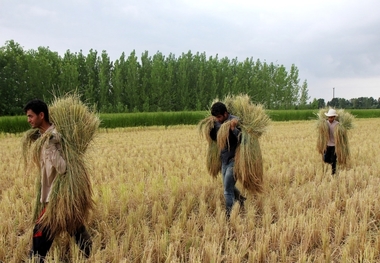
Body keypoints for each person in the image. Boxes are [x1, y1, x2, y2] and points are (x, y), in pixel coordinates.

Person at [24, 99, 92, 262]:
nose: (29, 120)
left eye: (31, 116)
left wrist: (51, 148)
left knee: (42, 228)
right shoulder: (42, 137)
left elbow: (63, 168)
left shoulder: (56, 138)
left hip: (59, 193)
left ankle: (36, 258)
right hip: (51, 193)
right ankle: (89, 251)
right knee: (72, 223)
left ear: (42, 115)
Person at [209, 102, 246, 218]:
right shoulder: (216, 123)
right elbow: (214, 138)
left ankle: (229, 215)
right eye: (216, 117)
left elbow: (243, 139)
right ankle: (241, 199)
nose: (217, 119)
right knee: (227, 185)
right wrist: (209, 127)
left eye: (219, 117)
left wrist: (234, 129)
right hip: (224, 160)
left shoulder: (235, 121)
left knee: (227, 191)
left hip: (235, 161)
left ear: (225, 114)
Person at [323, 108, 339, 175]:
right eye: (329, 117)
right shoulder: (325, 123)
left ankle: (333, 173)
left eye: (331, 117)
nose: (330, 119)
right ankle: (330, 164)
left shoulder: (338, 124)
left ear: (334, 117)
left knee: (333, 159)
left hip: (335, 145)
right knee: (325, 159)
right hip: (327, 144)